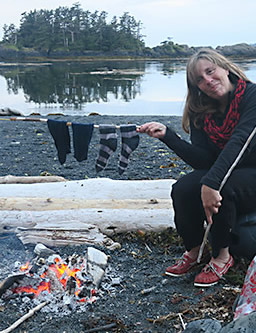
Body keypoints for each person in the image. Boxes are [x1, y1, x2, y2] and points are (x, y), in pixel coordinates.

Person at [137, 48, 256, 287]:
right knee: (183, 187)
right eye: (199, 80)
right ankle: (195, 251)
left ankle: (222, 256)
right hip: (229, 171)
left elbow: (241, 141)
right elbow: (203, 161)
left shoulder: (252, 96)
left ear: (225, 68)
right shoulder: (202, 110)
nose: (208, 81)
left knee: (221, 185)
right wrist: (168, 136)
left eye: (210, 72)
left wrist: (211, 183)